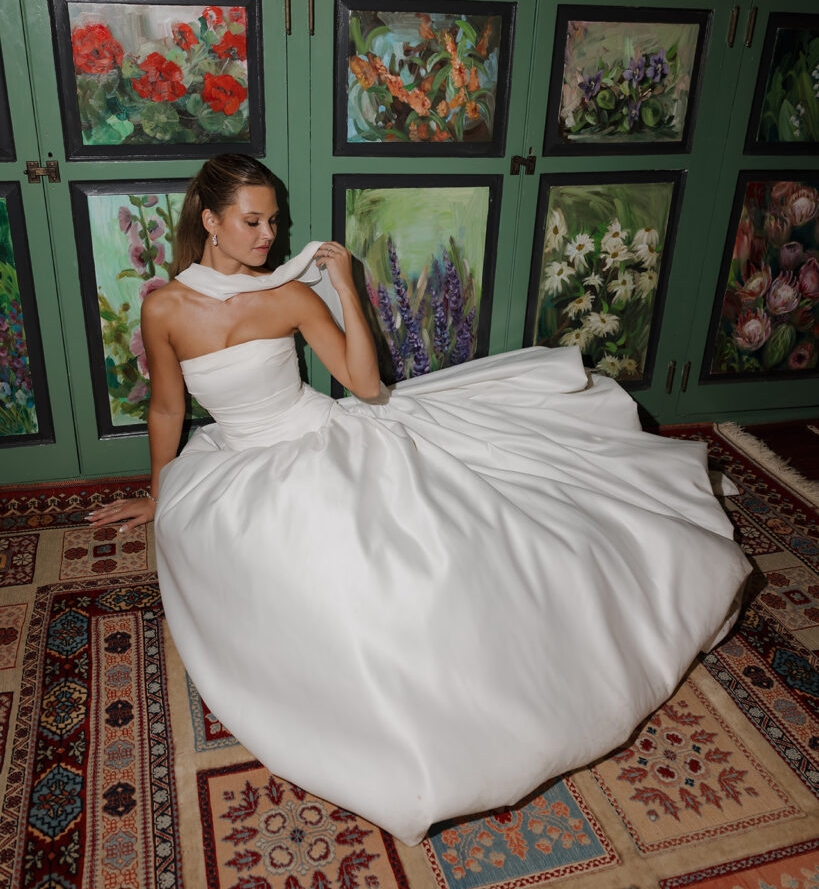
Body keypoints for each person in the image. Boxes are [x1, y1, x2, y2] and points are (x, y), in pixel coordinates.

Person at [88, 153, 751, 846]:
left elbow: (366, 388)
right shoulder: (164, 305)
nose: (268, 236)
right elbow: (167, 410)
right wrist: (159, 495)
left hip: (316, 437)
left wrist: (344, 288)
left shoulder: (287, 295)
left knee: (410, 561)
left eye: (273, 222)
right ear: (210, 221)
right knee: (239, 549)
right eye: (252, 221)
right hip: (236, 457)